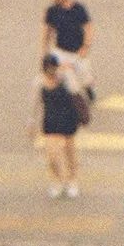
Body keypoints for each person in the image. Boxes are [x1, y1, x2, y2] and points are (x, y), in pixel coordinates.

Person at [30, 55, 81, 199]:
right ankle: (57, 181)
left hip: (67, 118)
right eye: (48, 70)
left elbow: (76, 91)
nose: (51, 73)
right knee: (51, 154)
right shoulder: (39, 82)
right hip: (51, 121)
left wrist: (68, 73)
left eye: (53, 69)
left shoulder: (65, 78)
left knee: (69, 151)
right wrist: (31, 122)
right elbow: (34, 103)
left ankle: (72, 180)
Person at [41, 0, 94, 99]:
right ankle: (71, 98)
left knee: (85, 75)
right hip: (60, 51)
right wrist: (45, 51)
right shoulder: (52, 11)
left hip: (77, 51)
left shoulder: (78, 8)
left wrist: (85, 46)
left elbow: (88, 28)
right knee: (66, 77)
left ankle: (88, 89)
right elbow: (47, 31)